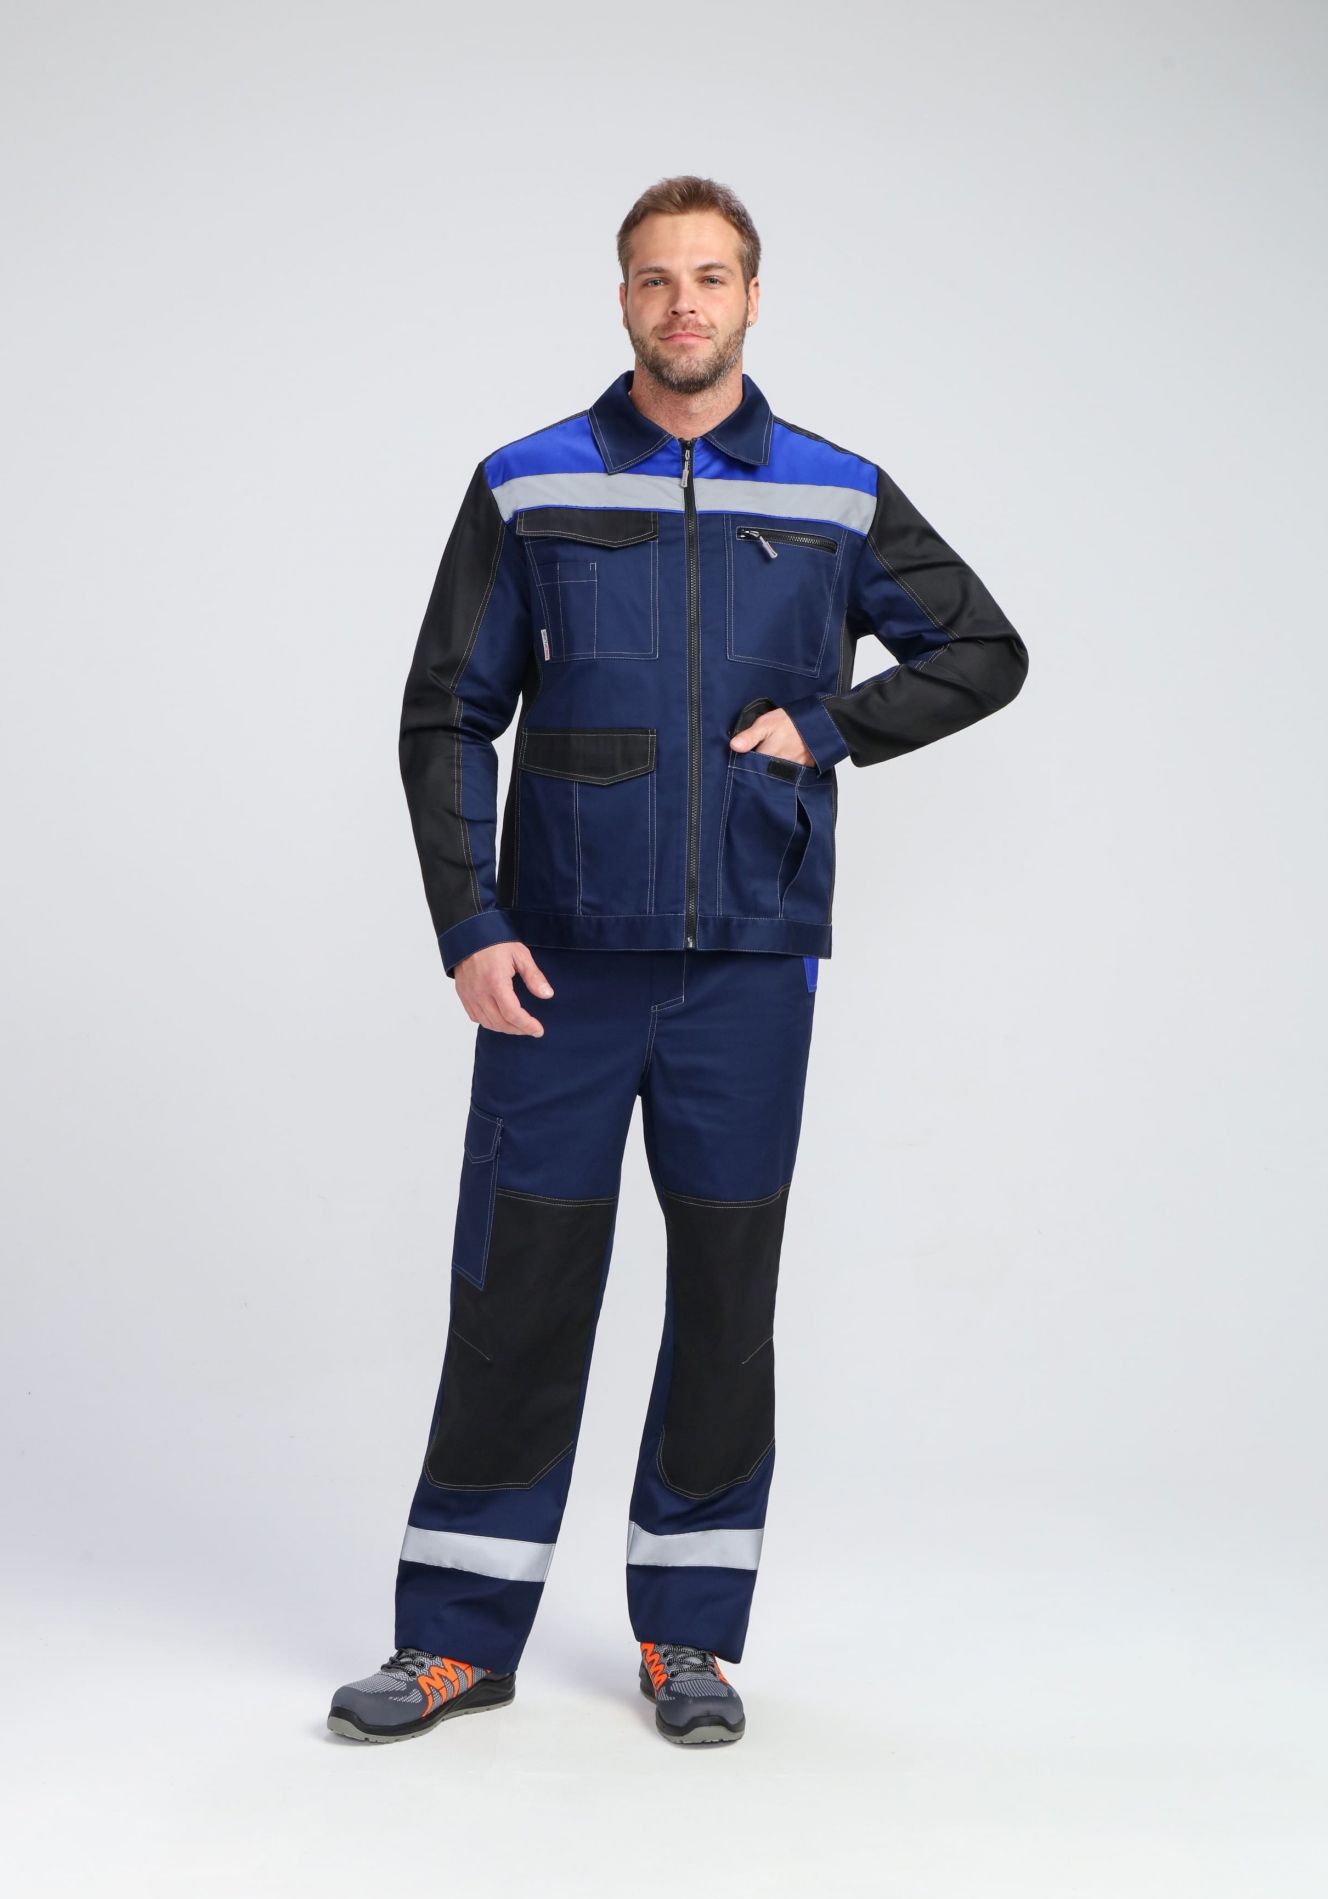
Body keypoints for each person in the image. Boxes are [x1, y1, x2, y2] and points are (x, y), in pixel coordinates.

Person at [327, 174, 1028, 1747]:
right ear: (624, 300)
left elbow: (985, 649)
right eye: (657, 279)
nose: (684, 302)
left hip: (750, 974)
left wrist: (835, 726)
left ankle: (691, 1641)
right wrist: (471, 924)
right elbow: (447, 712)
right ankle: (453, 1641)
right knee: (515, 1296)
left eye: (711, 277)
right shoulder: (528, 482)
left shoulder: (837, 494)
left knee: (724, 1302)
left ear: (753, 298)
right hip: (559, 973)